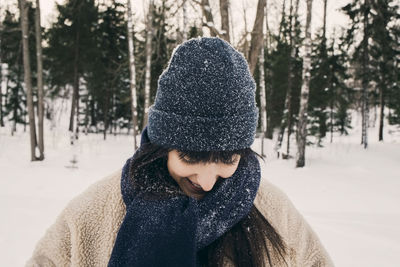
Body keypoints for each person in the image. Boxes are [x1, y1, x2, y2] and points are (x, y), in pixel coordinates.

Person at [26, 37, 334, 267]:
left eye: (227, 158)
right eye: (191, 156)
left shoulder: (273, 210)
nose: (208, 180)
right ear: (161, 147)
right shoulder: (92, 213)